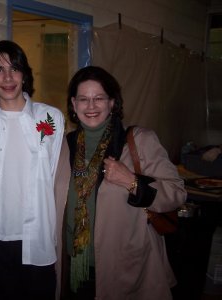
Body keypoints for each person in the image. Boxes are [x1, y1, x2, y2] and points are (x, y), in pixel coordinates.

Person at [61, 66, 187, 300]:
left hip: (125, 268)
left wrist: (132, 182)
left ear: (111, 103)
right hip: (73, 267)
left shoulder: (139, 140)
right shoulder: (63, 146)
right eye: (83, 99)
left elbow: (177, 192)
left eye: (99, 98)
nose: (91, 106)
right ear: (73, 104)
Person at [0, 40, 65, 300]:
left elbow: (54, 173)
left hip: (37, 241)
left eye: (15, 68)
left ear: (25, 75)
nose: (8, 77)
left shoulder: (51, 118)